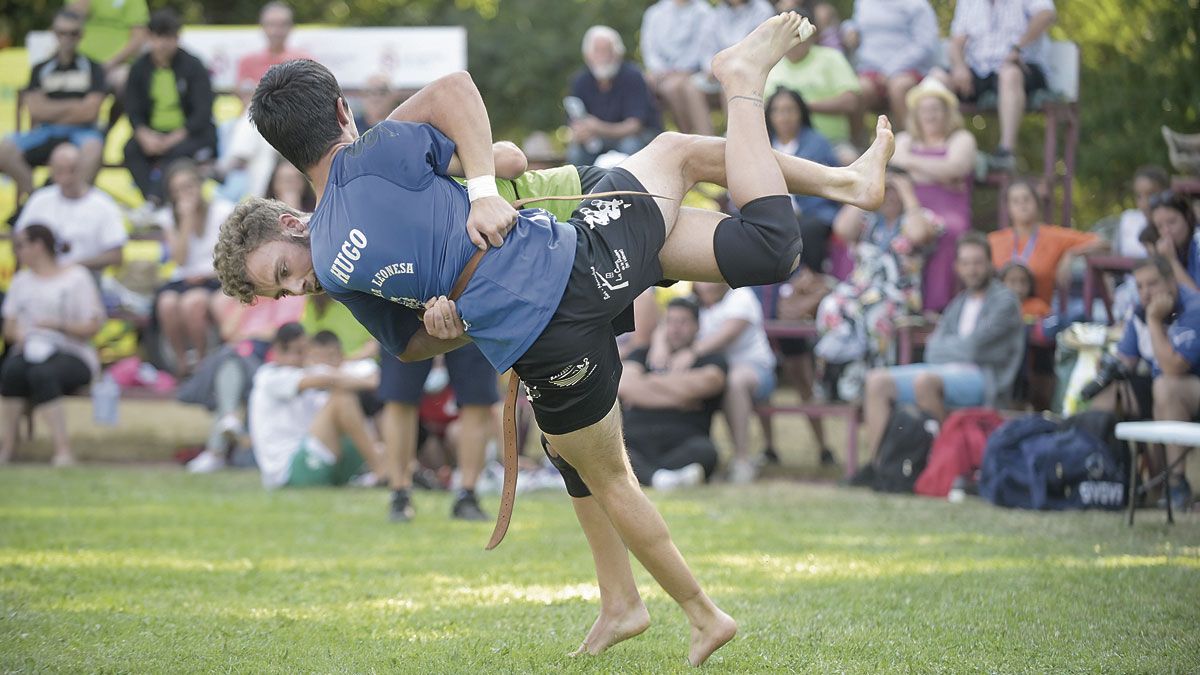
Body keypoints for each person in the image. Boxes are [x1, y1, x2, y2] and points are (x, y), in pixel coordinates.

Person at [215, 16, 893, 664]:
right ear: (341, 111)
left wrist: (446, 317)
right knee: (692, 172)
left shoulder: (333, 256)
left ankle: (629, 603)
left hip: (540, 330)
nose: (294, 290)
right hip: (572, 263)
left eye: (281, 276)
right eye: (281, 288)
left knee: (583, 459)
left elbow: (411, 340)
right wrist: (482, 198)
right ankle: (746, 85)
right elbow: (460, 95)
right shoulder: (376, 149)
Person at [856, 233, 1024, 475]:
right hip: (947, 372)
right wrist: (957, 347)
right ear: (957, 267)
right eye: (965, 263)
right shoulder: (960, 302)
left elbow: (974, 348)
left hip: (985, 378)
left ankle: (941, 466)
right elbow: (933, 349)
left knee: (926, 382)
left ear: (989, 263)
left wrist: (952, 347)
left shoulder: (1004, 301)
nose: (972, 269)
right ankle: (879, 468)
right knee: (876, 381)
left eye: (977, 262)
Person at [1092, 257, 1200, 510]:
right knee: (1110, 391)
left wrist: (1153, 322)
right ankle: (1106, 477)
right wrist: (1106, 367)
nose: (1145, 292)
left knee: (1166, 386)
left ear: (1171, 281)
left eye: (1152, 284)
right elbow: (1125, 360)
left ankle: (1176, 485)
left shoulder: (1193, 308)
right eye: (1139, 286)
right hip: (1160, 390)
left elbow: (1174, 367)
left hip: (1187, 389)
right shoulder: (1140, 311)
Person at [816, 171, 940, 393]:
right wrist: (867, 187)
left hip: (897, 295)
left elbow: (919, 234)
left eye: (894, 190)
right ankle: (840, 372)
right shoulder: (868, 220)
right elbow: (841, 229)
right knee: (830, 305)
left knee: (873, 315)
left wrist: (906, 191)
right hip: (859, 291)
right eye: (885, 189)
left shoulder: (920, 217)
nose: (889, 196)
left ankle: (875, 383)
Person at [0, 225, 105, 467]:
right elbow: (9, 327)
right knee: (12, 371)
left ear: (38, 246)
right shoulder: (21, 281)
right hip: (29, 349)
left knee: (42, 373)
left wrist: (57, 326)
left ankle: (62, 449)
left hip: (71, 352)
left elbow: (92, 326)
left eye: (20, 245)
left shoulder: (76, 277)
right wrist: (21, 336)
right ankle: (7, 447)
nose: (16, 251)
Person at [248, 323, 385, 489]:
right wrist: (370, 382)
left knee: (370, 433)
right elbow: (328, 379)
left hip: (311, 453)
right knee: (342, 399)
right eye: (297, 352)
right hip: (288, 471)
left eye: (305, 351)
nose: (302, 357)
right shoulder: (268, 376)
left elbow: (353, 373)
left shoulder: (308, 372)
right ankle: (380, 471)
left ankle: (394, 471)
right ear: (277, 352)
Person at [377, 345, 497, 522]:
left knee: (477, 400)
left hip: (470, 318)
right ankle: (399, 494)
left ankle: (468, 495)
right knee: (399, 397)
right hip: (409, 317)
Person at [889, 77, 978, 312]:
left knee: (949, 232)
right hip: (910, 207)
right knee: (894, 234)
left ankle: (938, 307)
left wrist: (910, 166)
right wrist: (940, 172)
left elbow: (956, 168)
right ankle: (900, 305)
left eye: (936, 109)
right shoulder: (905, 138)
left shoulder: (962, 139)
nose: (930, 115)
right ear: (915, 115)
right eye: (924, 110)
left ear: (947, 113)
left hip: (950, 210)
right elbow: (894, 166)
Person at [619, 297, 725, 490]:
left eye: (683, 322)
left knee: (707, 452)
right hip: (636, 439)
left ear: (697, 326)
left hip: (683, 440)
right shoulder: (642, 355)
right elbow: (624, 386)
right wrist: (681, 397)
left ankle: (650, 475)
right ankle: (662, 478)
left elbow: (709, 382)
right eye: (671, 321)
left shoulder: (711, 359)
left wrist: (647, 384)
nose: (676, 328)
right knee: (615, 451)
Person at [0, 10, 106, 204]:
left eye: (73, 33)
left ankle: (74, 204)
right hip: (46, 131)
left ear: (80, 35)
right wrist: (75, 106)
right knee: (4, 149)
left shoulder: (93, 67)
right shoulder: (40, 68)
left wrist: (52, 108)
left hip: (81, 132)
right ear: (55, 34)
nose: (67, 39)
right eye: (62, 33)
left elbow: (90, 111)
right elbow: (36, 110)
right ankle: (37, 200)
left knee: (94, 149)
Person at [939, 0, 1057, 171]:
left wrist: (1018, 47)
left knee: (1009, 74)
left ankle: (1006, 152)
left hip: (1023, 68)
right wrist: (959, 66)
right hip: (979, 70)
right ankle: (937, 148)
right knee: (937, 79)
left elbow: (1046, 14)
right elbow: (956, 42)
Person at [123, 9, 217, 205]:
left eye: (169, 37)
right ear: (150, 37)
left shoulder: (193, 65)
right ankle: (154, 200)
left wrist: (172, 139)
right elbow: (132, 108)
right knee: (131, 149)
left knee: (175, 154)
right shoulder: (139, 69)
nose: (163, 44)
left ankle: (155, 202)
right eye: (158, 37)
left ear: (177, 38)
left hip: (190, 135)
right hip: (154, 134)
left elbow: (202, 112)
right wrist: (144, 135)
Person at [155, 158, 238, 377]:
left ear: (200, 184)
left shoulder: (223, 210)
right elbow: (179, 260)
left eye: (189, 186)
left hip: (215, 276)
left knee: (192, 304)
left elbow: (231, 255)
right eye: (179, 189)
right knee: (166, 304)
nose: (186, 193)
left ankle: (202, 362)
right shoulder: (168, 217)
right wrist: (186, 220)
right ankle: (181, 363)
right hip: (184, 277)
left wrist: (205, 274)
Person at [689, 282, 776, 483]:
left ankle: (742, 460)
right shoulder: (692, 302)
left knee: (734, 382)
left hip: (756, 370)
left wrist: (690, 353)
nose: (704, 282)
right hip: (715, 372)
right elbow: (669, 324)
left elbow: (727, 334)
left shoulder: (741, 296)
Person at [987, 180, 1106, 307]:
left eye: (1026, 199)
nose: (1022, 204)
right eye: (1015, 201)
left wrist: (1071, 253)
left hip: (1039, 316)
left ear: (1037, 203)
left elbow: (1102, 242)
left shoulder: (1054, 236)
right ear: (1008, 208)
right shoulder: (993, 240)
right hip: (998, 314)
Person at [15, 143, 126, 276]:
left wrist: (73, 266)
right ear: (51, 170)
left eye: (72, 169)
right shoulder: (39, 200)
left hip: (85, 278)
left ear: (82, 168)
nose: (66, 176)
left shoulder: (104, 204)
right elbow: (18, 239)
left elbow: (115, 256)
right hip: (40, 276)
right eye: (60, 170)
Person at [766, 87, 840, 273]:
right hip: (771, 215)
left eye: (790, 110)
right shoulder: (762, 144)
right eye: (778, 110)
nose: (784, 116)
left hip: (813, 213)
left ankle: (815, 277)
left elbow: (832, 182)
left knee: (807, 229)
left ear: (800, 112)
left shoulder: (817, 142)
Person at [566, 26, 660, 166]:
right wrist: (580, 132)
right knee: (576, 153)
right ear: (587, 56)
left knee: (630, 146)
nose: (603, 56)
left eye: (607, 50)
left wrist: (598, 127)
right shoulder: (580, 81)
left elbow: (635, 126)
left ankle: (629, 188)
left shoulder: (633, 76)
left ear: (617, 53)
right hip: (596, 141)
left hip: (635, 137)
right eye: (597, 50)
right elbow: (574, 122)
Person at [764, 22, 862, 155]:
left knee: (849, 161)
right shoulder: (771, 65)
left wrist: (803, 106)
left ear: (811, 36)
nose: (794, 42)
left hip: (833, 144)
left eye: (799, 36)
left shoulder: (830, 57)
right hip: (778, 146)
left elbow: (851, 102)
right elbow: (761, 108)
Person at [841, 0, 939, 124]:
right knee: (856, 90)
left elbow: (925, 44)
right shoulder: (863, 2)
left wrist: (891, 70)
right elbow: (856, 22)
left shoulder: (917, 4)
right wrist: (849, 28)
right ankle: (856, 142)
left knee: (898, 87)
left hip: (909, 70)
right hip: (870, 70)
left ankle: (909, 139)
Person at [640, 0, 715, 136]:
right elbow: (649, 49)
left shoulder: (703, 11)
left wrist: (680, 69)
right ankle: (652, 139)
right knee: (641, 83)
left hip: (691, 71)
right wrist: (660, 70)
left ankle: (688, 136)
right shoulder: (654, 13)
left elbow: (702, 46)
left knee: (671, 88)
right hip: (661, 73)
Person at [72, 0, 148, 112]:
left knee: (128, 83)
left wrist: (109, 64)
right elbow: (71, 21)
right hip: (81, 64)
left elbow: (138, 39)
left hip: (118, 66)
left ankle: (108, 127)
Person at [696, 0, 777, 94]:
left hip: (750, 70)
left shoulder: (762, 10)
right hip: (719, 69)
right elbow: (707, 47)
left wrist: (728, 67)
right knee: (690, 86)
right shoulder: (718, 12)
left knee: (730, 84)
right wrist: (710, 68)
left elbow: (759, 48)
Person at [235, 2, 309, 94]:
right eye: (271, 24)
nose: (276, 31)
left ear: (291, 26)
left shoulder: (306, 61)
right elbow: (242, 97)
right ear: (262, 26)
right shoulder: (247, 61)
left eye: (283, 24)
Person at [1111, 166, 1169, 259]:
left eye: (1151, 194)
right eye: (1139, 196)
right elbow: (1115, 257)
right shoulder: (1127, 220)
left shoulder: (1173, 223)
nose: (1144, 203)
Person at [1149, 190, 1200, 291]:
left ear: (1187, 217)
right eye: (1160, 226)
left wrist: (1172, 261)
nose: (1166, 231)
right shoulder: (1172, 249)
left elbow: (1196, 299)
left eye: (1172, 222)